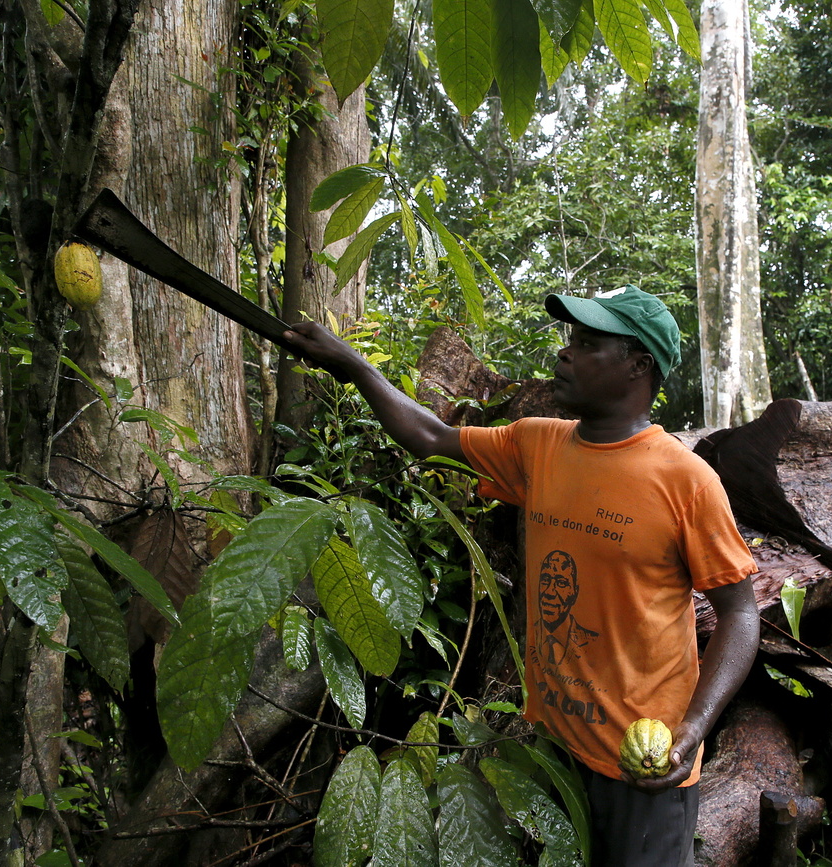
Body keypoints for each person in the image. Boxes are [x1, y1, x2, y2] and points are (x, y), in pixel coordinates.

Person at [283, 286, 760, 866]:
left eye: (587, 343)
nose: (565, 353)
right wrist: (355, 366)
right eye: (570, 340)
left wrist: (694, 728)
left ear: (638, 365)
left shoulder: (686, 480)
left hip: (642, 766)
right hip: (553, 746)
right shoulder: (538, 444)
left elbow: (738, 612)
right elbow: (432, 437)